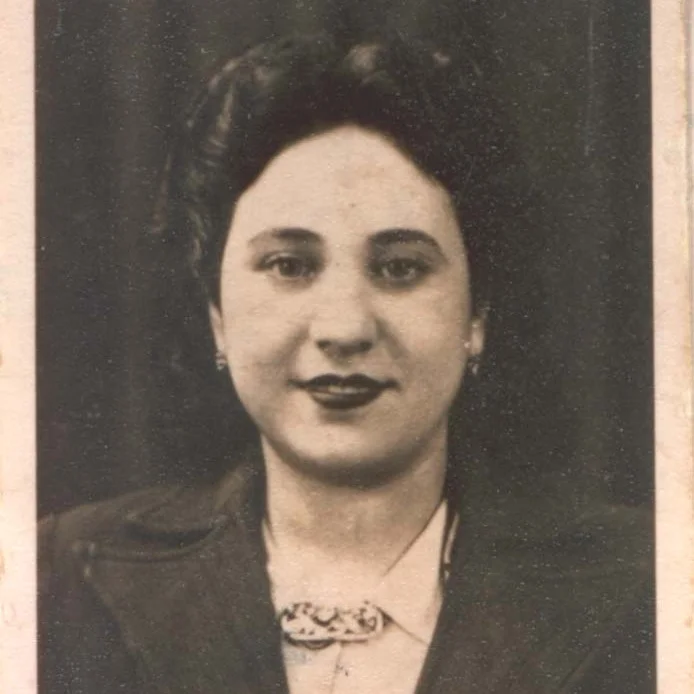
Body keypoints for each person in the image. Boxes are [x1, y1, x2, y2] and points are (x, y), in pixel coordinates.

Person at [39, 34, 654, 694]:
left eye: (401, 269)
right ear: (217, 312)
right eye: (289, 265)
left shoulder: (651, 583)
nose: (344, 329)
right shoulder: (57, 575)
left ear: (476, 316)